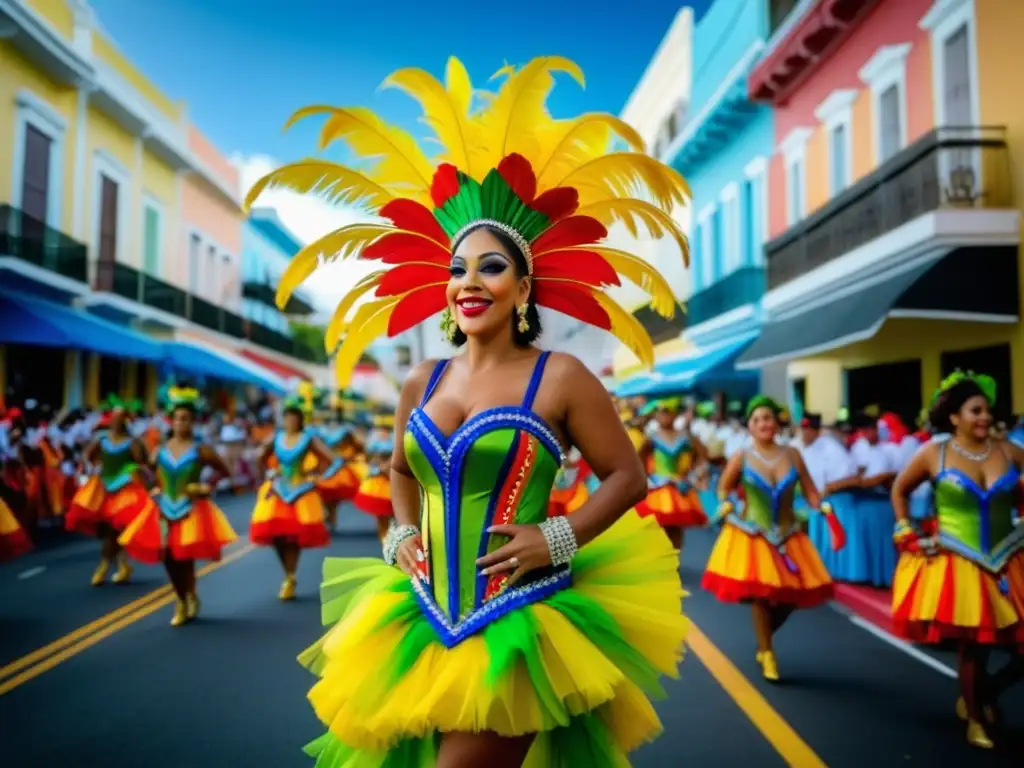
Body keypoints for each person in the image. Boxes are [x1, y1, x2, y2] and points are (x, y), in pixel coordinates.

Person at [260, 54, 689, 766]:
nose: (469, 280)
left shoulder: (562, 377)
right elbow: (400, 469)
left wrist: (560, 536)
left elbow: (627, 477)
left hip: (519, 618)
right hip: (420, 617)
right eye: (457, 268)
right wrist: (399, 535)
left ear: (524, 287)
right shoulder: (422, 380)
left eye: (491, 266)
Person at [890, 371, 1023, 750]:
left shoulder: (1008, 450)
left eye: (987, 410)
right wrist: (904, 527)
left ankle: (987, 692)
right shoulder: (935, 452)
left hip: (1009, 559)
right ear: (954, 417)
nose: (984, 417)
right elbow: (900, 489)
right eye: (975, 410)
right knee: (974, 646)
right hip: (958, 561)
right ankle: (975, 718)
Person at [702, 396, 846, 682]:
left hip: (789, 534)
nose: (763, 424)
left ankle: (763, 638)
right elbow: (723, 488)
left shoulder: (792, 454)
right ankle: (767, 652)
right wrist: (726, 504)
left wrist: (823, 507)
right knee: (762, 596)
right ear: (750, 428)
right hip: (753, 534)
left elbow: (810, 491)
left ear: (777, 422)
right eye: (756, 420)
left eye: (767, 418)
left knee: (790, 598)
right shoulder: (742, 456)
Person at [117, 386, 238, 626]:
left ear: (193, 422)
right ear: (171, 421)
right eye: (177, 418)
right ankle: (182, 598)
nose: (181, 423)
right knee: (169, 557)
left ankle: (188, 595)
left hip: (190, 509)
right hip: (164, 508)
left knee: (184, 557)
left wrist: (206, 487)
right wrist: (148, 482)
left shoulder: (201, 449)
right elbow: (150, 471)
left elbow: (225, 471)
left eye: (186, 419)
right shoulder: (160, 450)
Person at [251, 393, 341, 600]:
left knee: (292, 537)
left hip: (301, 492)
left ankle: (289, 577)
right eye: (288, 416)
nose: (291, 420)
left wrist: (317, 477)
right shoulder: (276, 437)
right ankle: (287, 573)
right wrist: (267, 473)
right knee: (276, 537)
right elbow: (259, 457)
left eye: (295, 416)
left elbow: (334, 461)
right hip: (277, 490)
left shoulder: (308, 438)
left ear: (301, 418)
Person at [64, 397, 152, 586]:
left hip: (124, 489)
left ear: (126, 420)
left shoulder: (131, 441)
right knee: (106, 530)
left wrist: (135, 469)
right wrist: (91, 466)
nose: (116, 420)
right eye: (114, 416)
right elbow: (88, 454)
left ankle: (103, 567)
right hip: (103, 487)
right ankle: (122, 564)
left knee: (115, 529)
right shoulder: (102, 438)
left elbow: (140, 461)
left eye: (121, 417)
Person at [636, 398, 709, 556]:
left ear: (676, 414)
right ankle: (660, 556)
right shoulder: (652, 437)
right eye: (661, 412)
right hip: (659, 487)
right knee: (658, 525)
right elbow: (639, 458)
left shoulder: (685, 436)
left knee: (676, 526)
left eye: (667, 411)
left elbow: (703, 455)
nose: (664, 416)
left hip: (678, 487)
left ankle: (674, 557)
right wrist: (646, 478)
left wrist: (692, 474)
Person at [352, 411, 395, 541]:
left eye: (385, 426)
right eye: (381, 426)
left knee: (396, 511)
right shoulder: (373, 438)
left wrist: (388, 465)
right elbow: (368, 457)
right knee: (381, 513)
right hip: (378, 479)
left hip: (393, 477)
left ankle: (394, 537)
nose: (383, 429)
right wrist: (377, 465)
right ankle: (384, 539)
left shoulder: (396, 436)